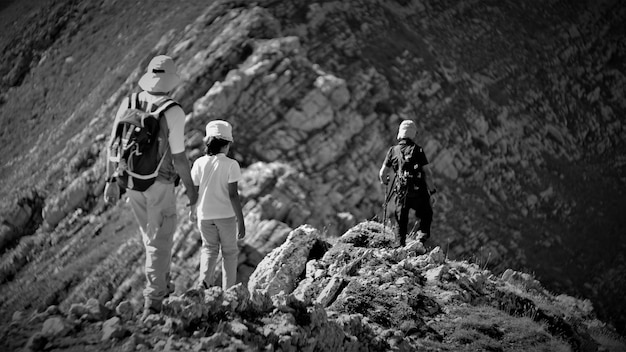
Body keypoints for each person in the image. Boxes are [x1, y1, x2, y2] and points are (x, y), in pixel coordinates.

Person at [103, 55, 198, 320]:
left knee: (151, 237)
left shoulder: (130, 102)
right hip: (160, 183)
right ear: (170, 81)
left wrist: (111, 181)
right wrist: (192, 192)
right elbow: (179, 158)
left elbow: (112, 145)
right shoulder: (172, 110)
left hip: (130, 181)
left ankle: (163, 287)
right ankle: (154, 302)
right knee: (160, 238)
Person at [189, 120, 245, 291]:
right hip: (226, 217)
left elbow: (194, 190)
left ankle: (203, 285)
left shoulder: (199, 163)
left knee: (209, 249)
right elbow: (233, 195)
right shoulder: (231, 165)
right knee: (229, 253)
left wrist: (193, 210)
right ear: (227, 144)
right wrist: (241, 221)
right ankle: (229, 293)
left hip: (204, 216)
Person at [379, 120, 436, 247]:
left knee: (400, 221)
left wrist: (385, 181)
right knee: (426, 213)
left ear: (400, 133)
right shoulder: (418, 150)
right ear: (413, 134)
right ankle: (420, 239)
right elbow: (428, 173)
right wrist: (432, 191)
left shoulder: (392, 151)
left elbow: (382, 173)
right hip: (418, 192)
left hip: (401, 192)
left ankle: (400, 246)